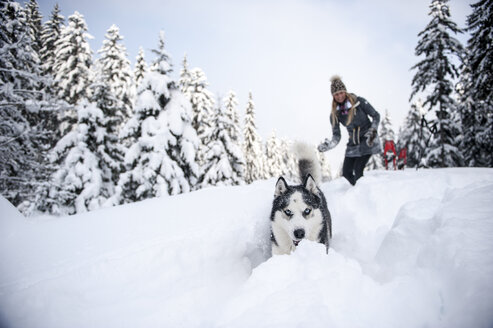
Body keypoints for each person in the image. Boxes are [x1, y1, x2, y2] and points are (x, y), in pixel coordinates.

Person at [318, 75, 381, 185]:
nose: (339, 96)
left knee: (358, 170)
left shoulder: (359, 102)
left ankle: (366, 192)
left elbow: (376, 115)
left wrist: (373, 130)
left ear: (345, 92)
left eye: (341, 92)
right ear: (333, 96)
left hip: (367, 139)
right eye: (336, 94)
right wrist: (329, 145)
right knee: (346, 173)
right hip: (353, 143)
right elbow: (336, 136)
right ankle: (357, 190)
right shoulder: (334, 114)